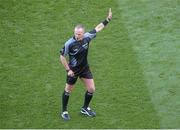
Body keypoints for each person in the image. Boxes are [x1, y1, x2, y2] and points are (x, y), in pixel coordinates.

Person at [59, 8, 112, 120]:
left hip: (84, 69)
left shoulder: (87, 37)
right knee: (68, 90)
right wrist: (68, 70)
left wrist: (107, 20)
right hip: (73, 71)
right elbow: (62, 56)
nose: (77, 36)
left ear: (83, 33)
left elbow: (98, 28)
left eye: (79, 34)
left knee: (91, 89)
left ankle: (85, 108)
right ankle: (64, 111)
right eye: (75, 33)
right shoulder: (69, 43)